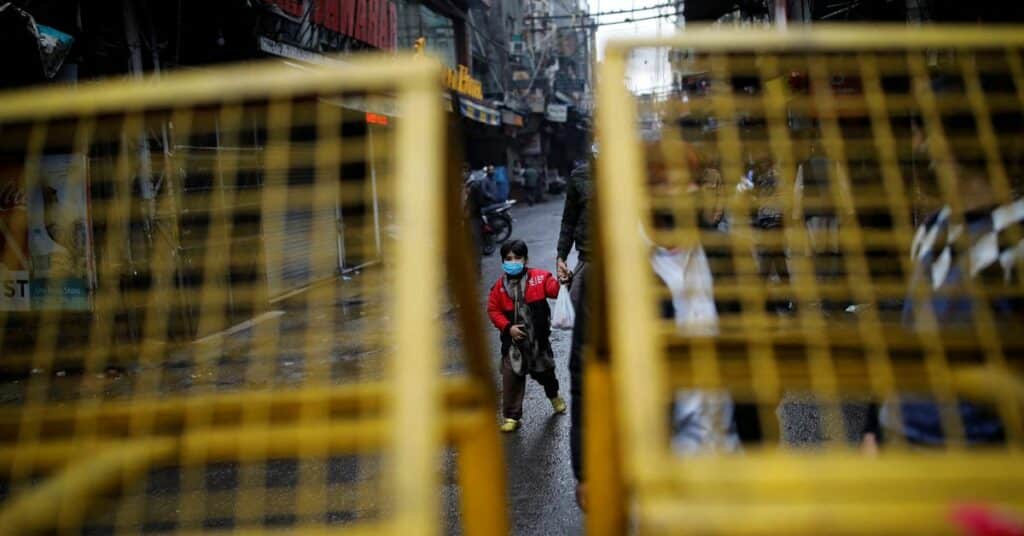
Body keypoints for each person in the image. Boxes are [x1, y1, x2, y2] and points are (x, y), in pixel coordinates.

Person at [487, 239, 567, 432]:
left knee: (545, 373)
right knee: (511, 378)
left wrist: (564, 280)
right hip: (513, 345)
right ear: (502, 261)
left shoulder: (539, 278)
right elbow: (493, 310)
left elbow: (555, 290)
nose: (512, 262)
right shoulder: (498, 288)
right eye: (508, 258)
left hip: (538, 342)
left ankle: (554, 395)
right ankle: (511, 416)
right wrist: (508, 328)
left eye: (517, 258)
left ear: (526, 259)